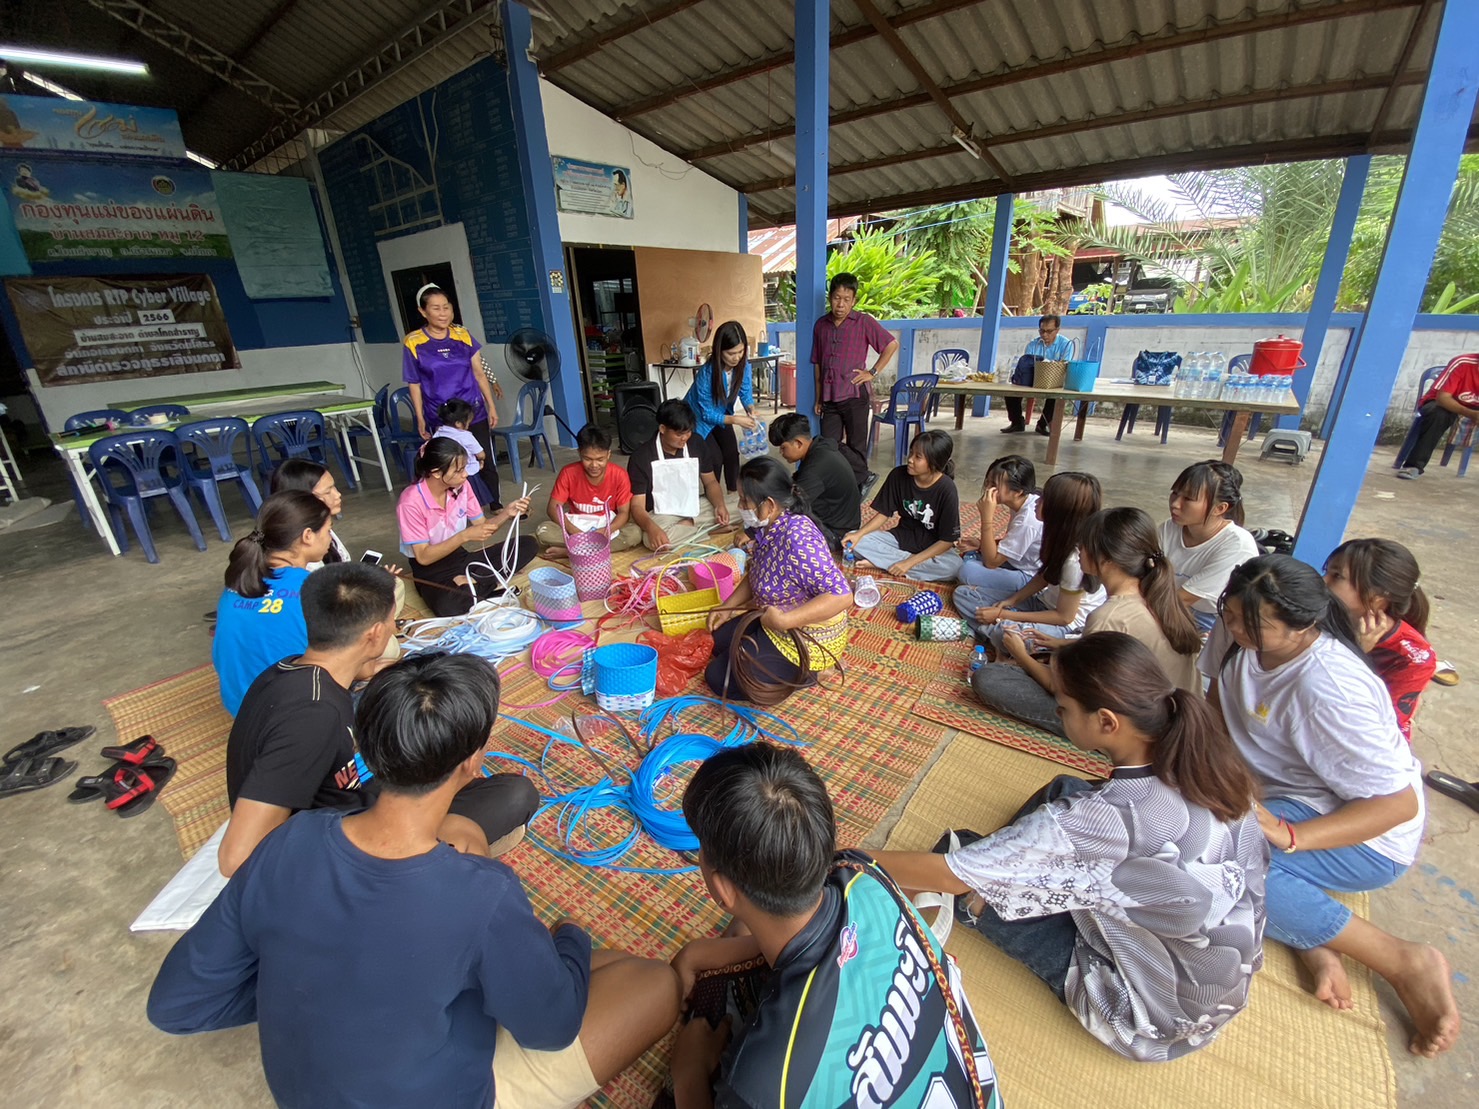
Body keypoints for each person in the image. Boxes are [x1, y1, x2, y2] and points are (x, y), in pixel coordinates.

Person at [148, 652, 682, 1109]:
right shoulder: (483, 893)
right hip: (444, 1093)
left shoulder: (292, 839)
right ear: (472, 762)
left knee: (580, 968)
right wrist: (568, 932)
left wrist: (314, 986)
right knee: (653, 981)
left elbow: (178, 1005)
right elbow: (551, 1029)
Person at [874, 632, 1267, 1063]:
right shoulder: (1213, 765)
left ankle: (992, 886)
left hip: (1147, 1017)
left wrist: (840, 857)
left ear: (1106, 722)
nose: (1058, 714)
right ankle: (1011, 865)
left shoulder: (1096, 821)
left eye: (1062, 709)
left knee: (958, 861)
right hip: (1212, 982)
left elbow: (948, 872)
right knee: (1065, 789)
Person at [1202, 554, 1460, 1058]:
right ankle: (1312, 939)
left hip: (1367, 836)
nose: (1235, 628)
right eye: (1230, 614)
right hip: (1278, 797)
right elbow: (1218, 710)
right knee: (1175, 833)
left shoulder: (1329, 686)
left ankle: (1403, 961)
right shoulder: (1241, 628)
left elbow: (1398, 805)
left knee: (1224, 863)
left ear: (1305, 626)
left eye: (1253, 624)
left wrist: (1288, 835)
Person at [669, 743, 1001, 1109]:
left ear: (721, 888)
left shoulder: (761, 1086)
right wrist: (698, 955)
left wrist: (690, 1073)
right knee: (740, 938)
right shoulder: (863, 874)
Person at [217, 563, 539, 878]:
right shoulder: (312, 717)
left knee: (441, 762)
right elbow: (236, 858)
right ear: (375, 633)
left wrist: (363, 667)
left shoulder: (293, 672)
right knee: (514, 794)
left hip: (346, 809)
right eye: (392, 620)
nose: (394, 627)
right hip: (345, 853)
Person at [973, 507, 1203, 736]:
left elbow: (1059, 687)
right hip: (1174, 720)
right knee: (1043, 656)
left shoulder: (1110, 616)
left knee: (989, 677)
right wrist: (1063, 644)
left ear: (1105, 560)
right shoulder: (1162, 596)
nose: (1079, 551)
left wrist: (1021, 655)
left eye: (1083, 545)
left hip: (1136, 730)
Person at [704, 458, 852, 703]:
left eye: (744, 500)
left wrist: (785, 621)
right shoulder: (768, 525)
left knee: (719, 678)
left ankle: (813, 671)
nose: (740, 506)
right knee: (716, 643)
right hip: (773, 618)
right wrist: (726, 607)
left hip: (805, 633)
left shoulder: (797, 538)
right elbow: (756, 573)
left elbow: (842, 595)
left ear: (769, 504)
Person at [212, 491, 332, 716]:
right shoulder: (313, 586)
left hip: (241, 709)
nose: (330, 538)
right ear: (308, 536)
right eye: (328, 530)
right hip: (295, 714)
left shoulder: (239, 582)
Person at [954, 471, 1104, 648]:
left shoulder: (1074, 561)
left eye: (1044, 499)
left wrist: (1005, 614)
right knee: (963, 595)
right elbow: (1045, 575)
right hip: (1043, 602)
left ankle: (1001, 638)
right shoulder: (1058, 536)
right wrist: (1012, 601)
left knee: (1008, 633)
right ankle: (999, 637)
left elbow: (1064, 617)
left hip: (1064, 627)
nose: (1037, 499)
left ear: (1058, 511)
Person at [397, 437, 534, 618]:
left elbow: (482, 527)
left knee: (529, 545)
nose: (465, 475)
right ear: (437, 472)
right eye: (459, 470)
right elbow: (423, 557)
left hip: (460, 557)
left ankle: (472, 584)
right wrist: (464, 536)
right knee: (448, 607)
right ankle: (486, 585)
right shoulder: (410, 502)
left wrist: (507, 513)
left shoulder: (462, 487)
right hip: (430, 569)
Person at [1324, 538, 1436, 742]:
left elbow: (1380, 728)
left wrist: (1354, 657)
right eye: (1327, 572)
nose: (1324, 581)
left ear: (1378, 596)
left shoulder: (1413, 657)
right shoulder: (1322, 614)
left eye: (1337, 576)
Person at [401, 283, 504, 503]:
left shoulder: (463, 335)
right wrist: (419, 417)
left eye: (446, 307)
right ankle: (459, 506)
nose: (443, 313)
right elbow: (414, 383)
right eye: (436, 308)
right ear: (423, 311)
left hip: (472, 411)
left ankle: (494, 502)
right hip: (440, 415)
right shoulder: (414, 342)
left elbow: (478, 373)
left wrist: (491, 406)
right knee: (448, 463)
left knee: (483, 455)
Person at [842, 429, 965, 582]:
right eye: (911, 452)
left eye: (918, 457)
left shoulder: (947, 489)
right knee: (852, 540)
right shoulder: (898, 475)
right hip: (900, 539)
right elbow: (884, 513)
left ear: (934, 463)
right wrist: (858, 534)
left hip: (932, 547)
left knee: (955, 567)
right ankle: (894, 565)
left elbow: (947, 541)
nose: (910, 459)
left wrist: (909, 562)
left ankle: (883, 563)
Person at [1158, 460, 1259, 631]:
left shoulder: (1237, 544)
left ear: (1219, 508)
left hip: (1211, 620)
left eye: (1188, 499)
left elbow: (1184, 598)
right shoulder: (1169, 527)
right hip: (1168, 603)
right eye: (1175, 493)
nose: (1175, 504)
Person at [810, 271, 898, 463]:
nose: (840, 305)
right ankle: (837, 488)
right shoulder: (821, 326)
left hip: (855, 396)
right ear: (830, 298)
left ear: (854, 301)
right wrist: (819, 398)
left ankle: (859, 487)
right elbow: (818, 363)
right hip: (829, 399)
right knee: (828, 448)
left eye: (846, 299)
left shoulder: (864, 322)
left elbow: (891, 344)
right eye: (836, 298)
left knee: (856, 447)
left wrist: (872, 372)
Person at [627, 399, 732, 551]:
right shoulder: (641, 456)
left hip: (694, 506)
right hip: (661, 515)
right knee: (653, 540)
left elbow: (710, 483)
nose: (684, 438)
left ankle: (690, 528)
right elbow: (637, 506)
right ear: (662, 428)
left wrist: (719, 505)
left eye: (688, 432)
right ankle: (709, 530)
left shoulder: (696, 443)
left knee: (742, 507)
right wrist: (651, 528)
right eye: (679, 434)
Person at [535, 423, 641, 555]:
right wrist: (576, 532)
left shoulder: (619, 475)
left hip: (606, 526)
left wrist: (606, 531)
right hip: (576, 525)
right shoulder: (568, 473)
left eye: (600, 459)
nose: (594, 465)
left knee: (634, 533)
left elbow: (624, 512)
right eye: (587, 459)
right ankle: (595, 551)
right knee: (544, 531)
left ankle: (570, 553)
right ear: (579, 453)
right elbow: (552, 508)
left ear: (608, 454)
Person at [768, 411, 862, 550]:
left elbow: (790, 506)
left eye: (783, 448)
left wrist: (753, 532)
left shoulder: (817, 466)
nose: (782, 454)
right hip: (839, 521)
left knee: (782, 531)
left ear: (798, 443)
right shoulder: (819, 447)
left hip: (837, 534)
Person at [685, 320, 757, 494]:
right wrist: (736, 420)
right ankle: (714, 496)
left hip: (721, 412)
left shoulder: (743, 365)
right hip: (698, 419)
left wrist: (750, 408)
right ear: (719, 350)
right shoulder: (707, 373)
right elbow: (707, 414)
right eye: (731, 353)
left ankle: (734, 495)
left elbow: (745, 391)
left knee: (731, 453)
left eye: (741, 351)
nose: (737, 357)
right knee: (714, 458)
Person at [956, 454, 1041, 599]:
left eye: (994, 485)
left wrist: (986, 517)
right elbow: (1014, 542)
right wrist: (981, 544)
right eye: (988, 483)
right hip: (1014, 562)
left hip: (1029, 576)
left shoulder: (1028, 520)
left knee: (967, 571)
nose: (988, 489)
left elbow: (991, 562)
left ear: (1018, 491)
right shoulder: (1021, 502)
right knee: (968, 557)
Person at [1396, 352, 1479, 479]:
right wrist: (1471, 414)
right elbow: (1442, 398)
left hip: (1473, 406)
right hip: (1443, 401)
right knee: (1438, 414)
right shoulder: (1463, 362)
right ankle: (1413, 466)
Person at [1003, 314, 1074, 436]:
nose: (1045, 335)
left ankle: (1042, 424)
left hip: (1054, 382)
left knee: (1056, 396)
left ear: (1057, 330)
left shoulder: (1066, 344)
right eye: (1042, 331)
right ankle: (1017, 422)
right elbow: (1027, 365)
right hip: (1032, 378)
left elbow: (1064, 366)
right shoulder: (1033, 344)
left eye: (1049, 331)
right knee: (1010, 392)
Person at [433, 397, 495, 509]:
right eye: (468, 421)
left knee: (452, 502)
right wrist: (480, 462)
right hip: (467, 474)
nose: (469, 424)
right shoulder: (465, 436)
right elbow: (481, 454)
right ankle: (476, 519)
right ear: (458, 423)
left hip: (447, 475)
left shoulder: (438, 433)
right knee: (473, 502)